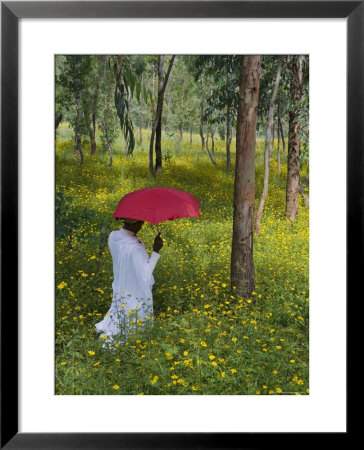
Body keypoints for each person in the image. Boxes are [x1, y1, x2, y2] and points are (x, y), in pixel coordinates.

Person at [95, 218, 163, 347]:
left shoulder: (113, 237)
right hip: (134, 289)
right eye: (141, 223)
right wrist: (156, 251)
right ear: (136, 224)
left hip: (120, 284)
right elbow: (146, 275)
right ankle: (135, 341)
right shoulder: (134, 247)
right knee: (133, 319)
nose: (142, 226)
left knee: (121, 310)